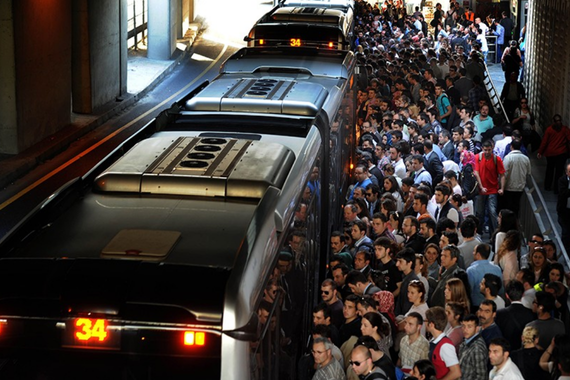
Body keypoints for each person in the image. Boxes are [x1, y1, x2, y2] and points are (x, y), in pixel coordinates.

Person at [473, 140, 506, 235]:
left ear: (492, 149)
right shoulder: (478, 158)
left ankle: (494, 233)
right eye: (485, 150)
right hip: (481, 190)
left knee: (492, 212)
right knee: (479, 213)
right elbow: (476, 173)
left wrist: (502, 188)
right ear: (482, 149)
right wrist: (481, 186)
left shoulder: (497, 159)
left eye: (489, 150)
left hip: (493, 189)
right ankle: (479, 232)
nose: (487, 152)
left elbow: (502, 175)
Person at [495, 280, 536, 351]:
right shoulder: (531, 314)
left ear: (507, 295)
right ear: (523, 294)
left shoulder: (499, 314)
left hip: (507, 351)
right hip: (524, 352)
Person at [425, 306, 462, 380]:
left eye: (425, 321)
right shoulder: (434, 341)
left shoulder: (445, 346)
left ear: (431, 324)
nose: (424, 323)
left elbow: (456, 372)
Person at [537, 115, 570, 193]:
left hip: (551, 153)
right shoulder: (565, 129)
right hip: (561, 153)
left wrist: (540, 152)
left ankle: (547, 186)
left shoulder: (549, 130)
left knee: (550, 170)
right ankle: (557, 188)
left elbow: (544, 142)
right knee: (559, 171)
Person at [502, 139, 531, 216]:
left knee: (508, 207)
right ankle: (515, 223)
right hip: (520, 187)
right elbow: (528, 173)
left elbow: (504, 174)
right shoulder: (526, 159)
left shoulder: (508, 158)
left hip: (508, 187)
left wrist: (501, 187)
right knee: (516, 207)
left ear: (511, 147)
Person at [458, 314, 488, 380]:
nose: (465, 330)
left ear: (477, 328)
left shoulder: (477, 348)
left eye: (469, 326)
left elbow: (481, 376)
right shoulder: (466, 341)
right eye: (463, 326)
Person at [395, 248, 420, 316]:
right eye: (397, 261)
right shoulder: (405, 277)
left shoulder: (412, 281)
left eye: (400, 261)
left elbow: (407, 306)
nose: (397, 264)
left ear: (409, 263)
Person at [557, 161, 570, 255]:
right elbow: (563, 193)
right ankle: (566, 252)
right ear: (566, 172)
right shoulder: (562, 180)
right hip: (564, 211)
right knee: (565, 233)